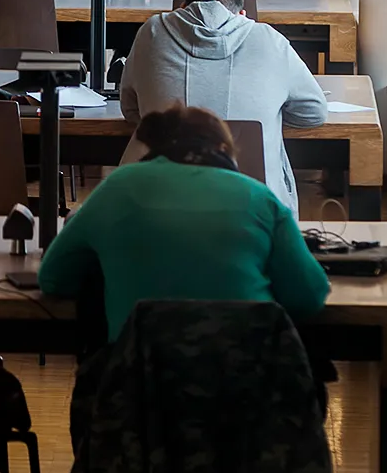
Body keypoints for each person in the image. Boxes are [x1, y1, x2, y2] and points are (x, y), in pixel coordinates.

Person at [37, 106, 328, 342]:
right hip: (246, 393)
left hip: (138, 393)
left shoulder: (115, 189)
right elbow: (310, 295)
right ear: (224, 149)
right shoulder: (259, 197)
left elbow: (52, 278)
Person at [119, 0, 327, 215]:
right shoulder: (270, 38)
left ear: (183, 7)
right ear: (242, 14)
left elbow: (130, 108)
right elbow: (315, 112)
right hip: (255, 205)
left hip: (155, 202)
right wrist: (269, 114)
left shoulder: (151, 32)